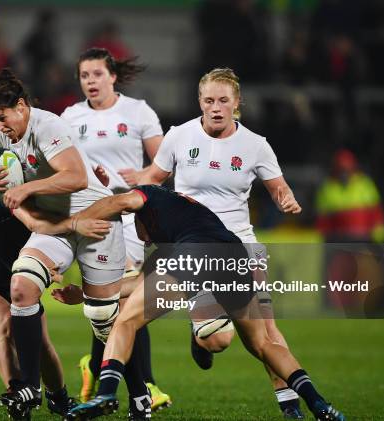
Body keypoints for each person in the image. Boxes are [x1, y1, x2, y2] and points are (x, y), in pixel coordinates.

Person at [64, 185, 345, 421]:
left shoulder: (148, 197)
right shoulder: (181, 222)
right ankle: (318, 403)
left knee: (126, 321)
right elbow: (139, 285)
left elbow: (118, 201)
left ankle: (106, 394)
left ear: (136, 215)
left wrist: (73, 224)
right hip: (235, 255)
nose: (142, 237)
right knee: (262, 343)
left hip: (196, 253)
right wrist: (89, 293)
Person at [138, 67, 306, 418]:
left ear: (237, 102)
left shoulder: (256, 145)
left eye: (223, 100)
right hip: (191, 246)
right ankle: (199, 334)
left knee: (266, 329)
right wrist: (124, 192)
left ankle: (290, 405)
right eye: (209, 100)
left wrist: (286, 199)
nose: (216, 107)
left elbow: (279, 187)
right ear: (199, 101)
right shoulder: (179, 136)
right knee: (217, 340)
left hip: (240, 245)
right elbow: (152, 181)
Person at [0, 69, 130, 419]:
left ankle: (137, 395)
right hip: (56, 223)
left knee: (104, 317)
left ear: (22, 106)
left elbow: (76, 177)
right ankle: (29, 386)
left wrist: (28, 188)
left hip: (96, 217)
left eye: (1, 118)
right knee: (22, 285)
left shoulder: (48, 126)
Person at [61, 47, 170, 410]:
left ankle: (110, 371)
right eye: (84, 75)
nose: (90, 81)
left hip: (129, 216)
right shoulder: (70, 116)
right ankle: (132, 380)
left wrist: (141, 176)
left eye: (96, 74)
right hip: (90, 215)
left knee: (122, 300)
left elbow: (163, 162)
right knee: (111, 301)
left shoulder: (137, 111)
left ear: (112, 76)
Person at [0, 192, 107, 419]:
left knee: (38, 341)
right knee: (7, 321)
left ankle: (59, 399)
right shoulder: (8, 194)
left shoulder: (50, 201)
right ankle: (19, 395)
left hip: (13, 283)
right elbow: (36, 224)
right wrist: (76, 223)